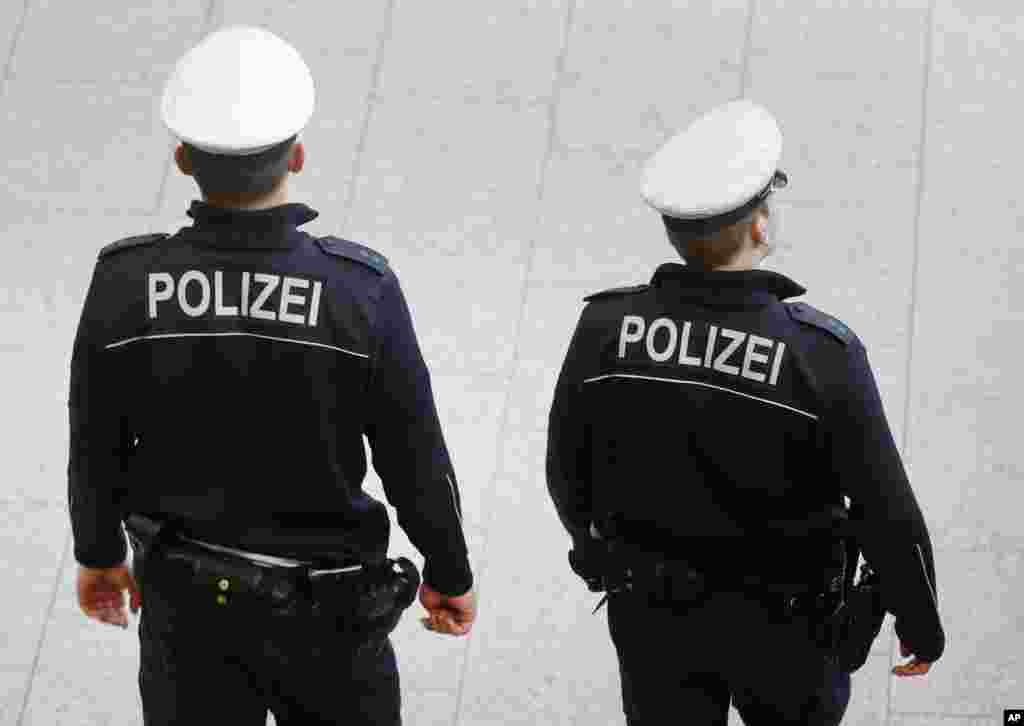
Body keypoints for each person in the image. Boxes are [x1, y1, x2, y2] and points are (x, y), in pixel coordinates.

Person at [67, 25, 476, 726]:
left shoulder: (126, 283)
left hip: (185, 609)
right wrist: (449, 569)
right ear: (298, 155)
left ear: (182, 160)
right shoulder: (359, 290)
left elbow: (95, 443)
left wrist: (99, 553)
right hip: (331, 620)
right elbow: (416, 456)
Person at [546, 99, 945, 725]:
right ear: (761, 227)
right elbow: (886, 509)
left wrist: (590, 548)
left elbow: (566, 471)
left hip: (653, 618)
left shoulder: (605, 327)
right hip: (790, 636)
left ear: (673, 233)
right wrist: (919, 617)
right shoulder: (821, 354)